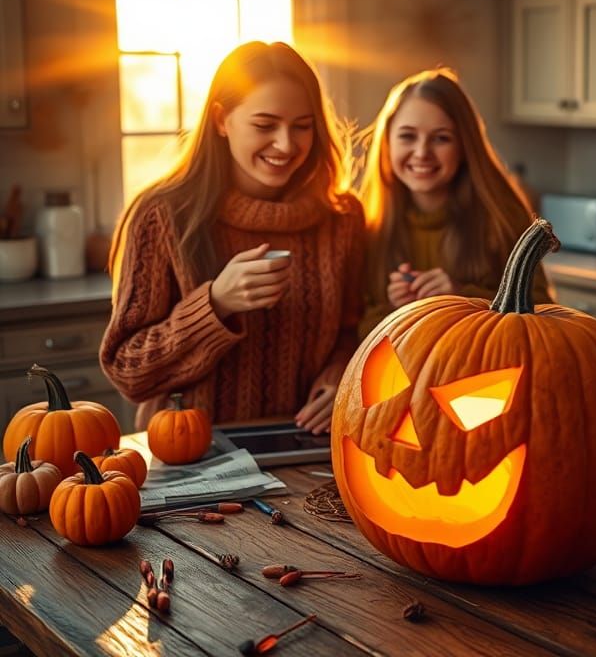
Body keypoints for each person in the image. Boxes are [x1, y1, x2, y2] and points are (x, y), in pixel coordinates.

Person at [101, 41, 364, 435]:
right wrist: (215, 303)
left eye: (302, 126)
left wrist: (340, 377)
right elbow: (127, 371)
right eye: (264, 125)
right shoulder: (162, 215)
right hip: (191, 455)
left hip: (304, 446)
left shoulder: (342, 217)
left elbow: (353, 330)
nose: (286, 144)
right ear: (222, 120)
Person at [356, 67, 552, 337]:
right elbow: (358, 333)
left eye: (441, 138)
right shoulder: (367, 225)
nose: (422, 152)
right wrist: (395, 309)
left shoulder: (501, 216)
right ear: (387, 142)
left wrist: (460, 298)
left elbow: (543, 316)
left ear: (464, 147)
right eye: (407, 136)